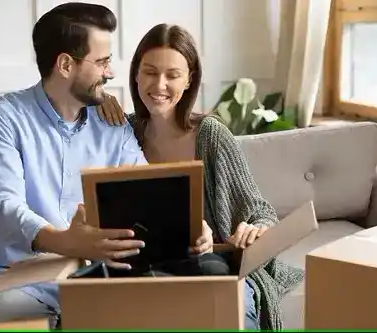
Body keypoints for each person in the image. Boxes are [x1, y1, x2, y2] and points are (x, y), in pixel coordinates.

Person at [0, 3, 216, 328]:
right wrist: (64, 241)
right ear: (65, 64)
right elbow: (2, 206)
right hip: (17, 278)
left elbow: (149, 190)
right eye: (102, 62)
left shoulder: (112, 124)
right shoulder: (1, 118)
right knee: (7, 312)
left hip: (94, 276)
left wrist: (192, 228)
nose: (111, 73)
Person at [96, 23, 305, 331]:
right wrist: (100, 97)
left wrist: (254, 228)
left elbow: (261, 212)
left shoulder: (211, 135)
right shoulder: (122, 133)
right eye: (150, 72)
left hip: (208, 263)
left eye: (173, 75)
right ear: (136, 75)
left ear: (189, 79)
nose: (160, 84)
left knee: (221, 299)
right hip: (144, 264)